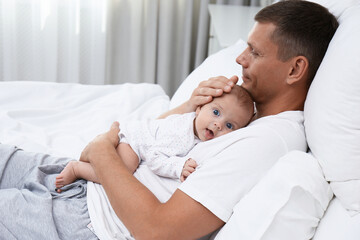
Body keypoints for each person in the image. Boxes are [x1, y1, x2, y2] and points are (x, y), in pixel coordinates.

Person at [0, 1, 338, 239]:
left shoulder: (267, 142)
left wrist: (103, 151)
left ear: (295, 69)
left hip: (90, 221)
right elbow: (157, 140)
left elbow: (158, 231)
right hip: (88, 186)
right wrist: (190, 107)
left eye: (255, 52)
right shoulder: (247, 114)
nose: (239, 58)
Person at [55, 85, 254, 189]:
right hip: (134, 141)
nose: (218, 124)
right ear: (199, 108)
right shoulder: (182, 133)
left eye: (229, 125)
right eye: (216, 113)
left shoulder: (199, 133)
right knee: (123, 170)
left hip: (142, 137)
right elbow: (154, 158)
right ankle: (78, 168)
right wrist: (178, 167)